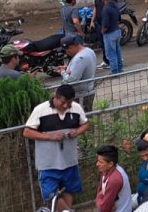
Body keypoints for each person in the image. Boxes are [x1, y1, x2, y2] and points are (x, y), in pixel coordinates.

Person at [23, 84, 90, 212]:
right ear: (56, 97)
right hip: (48, 165)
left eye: (69, 103)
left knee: (69, 191)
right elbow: (27, 132)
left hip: (69, 162)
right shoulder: (40, 110)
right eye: (63, 102)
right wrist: (50, 136)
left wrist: (77, 131)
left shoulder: (76, 108)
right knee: (51, 196)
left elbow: (86, 124)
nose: (66, 106)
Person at [58, 35, 98, 109]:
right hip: (88, 90)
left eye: (65, 50)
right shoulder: (88, 50)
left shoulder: (79, 58)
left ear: (70, 47)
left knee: (80, 117)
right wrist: (68, 68)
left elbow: (71, 79)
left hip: (81, 94)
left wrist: (62, 72)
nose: (66, 53)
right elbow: (83, 68)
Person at [94, 144, 131, 212]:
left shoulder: (114, 180)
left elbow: (104, 208)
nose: (97, 164)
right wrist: (100, 198)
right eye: (98, 160)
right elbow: (100, 190)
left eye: (100, 162)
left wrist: (98, 198)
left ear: (110, 164)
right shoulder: (107, 169)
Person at [100, 0, 124, 74]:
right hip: (117, 30)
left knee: (111, 53)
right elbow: (119, 18)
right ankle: (120, 68)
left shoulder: (105, 8)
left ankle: (114, 71)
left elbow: (105, 23)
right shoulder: (115, 6)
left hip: (110, 33)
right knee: (117, 51)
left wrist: (103, 31)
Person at [93, 0, 110, 69]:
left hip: (106, 26)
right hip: (99, 24)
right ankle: (106, 60)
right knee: (103, 44)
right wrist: (92, 20)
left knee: (108, 44)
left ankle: (110, 62)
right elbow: (95, 8)